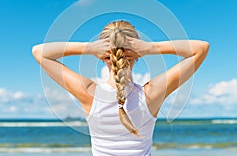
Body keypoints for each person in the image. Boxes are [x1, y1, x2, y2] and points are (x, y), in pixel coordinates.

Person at [32, 20, 209, 155]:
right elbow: (201, 48)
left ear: (102, 56)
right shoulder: (151, 94)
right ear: (137, 55)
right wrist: (151, 47)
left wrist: (88, 48)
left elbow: (39, 52)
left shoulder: (90, 93)